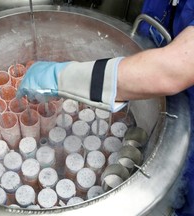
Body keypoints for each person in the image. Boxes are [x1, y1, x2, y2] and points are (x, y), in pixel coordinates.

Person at [17, 1, 194, 215]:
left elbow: (175, 68)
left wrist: (62, 78)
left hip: (186, 110)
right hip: (154, 59)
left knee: (182, 196)